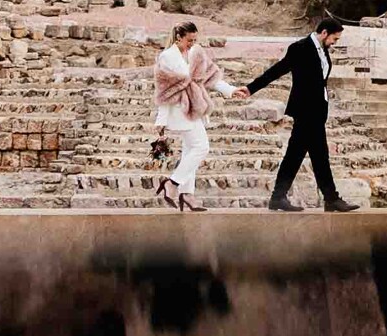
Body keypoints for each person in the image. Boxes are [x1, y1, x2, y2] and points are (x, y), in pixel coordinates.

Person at [235, 16, 359, 213]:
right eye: (334, 39)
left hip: (317, 111)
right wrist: (251, 88)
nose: (335, 43)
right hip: (305, 111)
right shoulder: (300, 48)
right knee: (315, 156)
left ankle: (283, 197)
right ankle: (329, 198)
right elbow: (278, 70)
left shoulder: (323, 50)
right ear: (324, 33)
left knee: (305, 155)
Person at [153, 22, 234, 212]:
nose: (192, 43)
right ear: (179, 37)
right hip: (180, 110)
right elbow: (164, 91)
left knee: (190, 151)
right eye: (189, 40)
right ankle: (172, 183)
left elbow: (212, 78)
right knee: (201, 146)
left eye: (195, 40)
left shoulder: (196, 53)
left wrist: (231, 90)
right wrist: (161, 120)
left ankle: (187, 194)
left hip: (195, 109)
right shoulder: (167, 57)